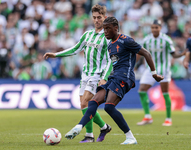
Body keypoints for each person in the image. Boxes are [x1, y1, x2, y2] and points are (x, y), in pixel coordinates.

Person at [64, 16, 164, 145]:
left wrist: (154, 73)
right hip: (114, 76)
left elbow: (146, 53)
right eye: (104, 29)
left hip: (125, 77)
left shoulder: (126, 40)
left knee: (109, 107)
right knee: (93, 102)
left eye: (107, 29)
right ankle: (79, 127)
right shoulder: (110, 45)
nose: (105, 31)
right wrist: (104, 77)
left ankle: (130, 137)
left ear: (115, 28)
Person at [43, 4, 112, 143]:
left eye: (99, 17)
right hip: (85, 74)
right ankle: (104, 127)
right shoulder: (87, 34)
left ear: (105, 18)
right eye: (94, 17)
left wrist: (104, 77)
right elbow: (74, 49)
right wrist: (55, 55)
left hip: (97, 75)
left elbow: (111, 60)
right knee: (83, 105)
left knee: (86, 102)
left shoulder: (107, 37)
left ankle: (89, 135)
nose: (97, 20)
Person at [137, 19, 186, 126]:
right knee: (141, 91)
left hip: (163, 69)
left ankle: (168, 118)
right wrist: (133, 65)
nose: (155, 29)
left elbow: (173, 54)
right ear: (151, 28)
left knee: (165, 93)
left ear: (160, 28)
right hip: (150, 69)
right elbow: (139, 54)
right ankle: (147, 117)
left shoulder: (166, 39)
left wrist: (182, 54)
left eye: (157, 27)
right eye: (153, 27)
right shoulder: (146, 39)